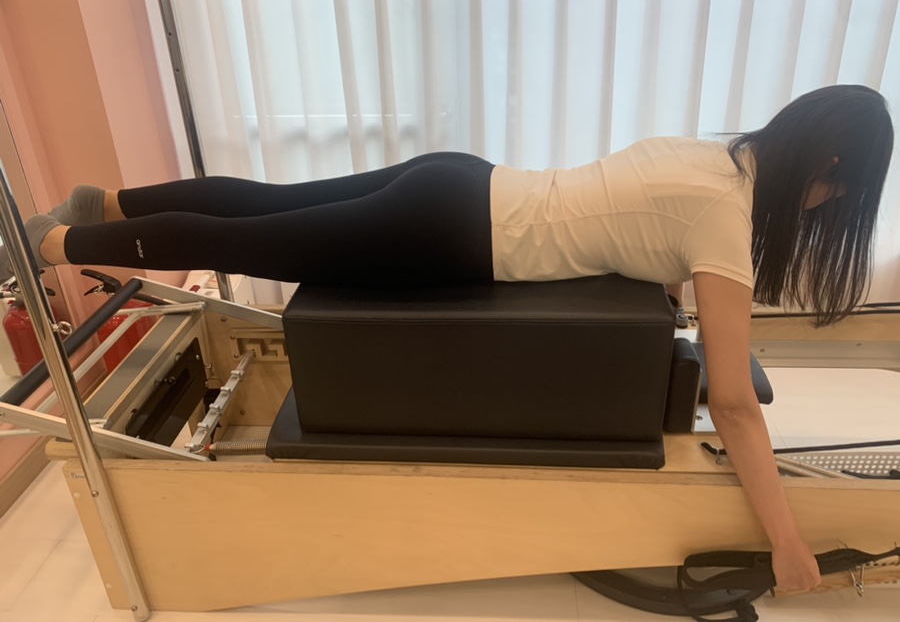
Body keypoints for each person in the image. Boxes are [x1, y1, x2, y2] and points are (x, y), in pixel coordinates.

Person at [8, 84, 896, 592]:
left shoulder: (707, 158)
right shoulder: (727, 216)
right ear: (826, 168)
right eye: (841, 197)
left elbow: (635, 231)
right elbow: (734, 403)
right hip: (452, 235)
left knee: (272, 205)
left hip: (463, 181)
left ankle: (105, 203)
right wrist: (787, 542)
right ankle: (51, 245)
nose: (829, 212)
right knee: (253, 242)